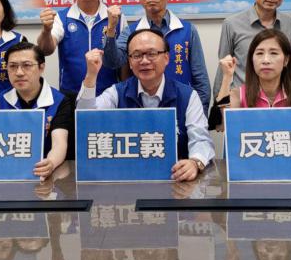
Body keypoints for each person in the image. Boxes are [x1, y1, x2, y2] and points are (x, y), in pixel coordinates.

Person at [81, 29, 215, 182]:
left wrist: (195, 162)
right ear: (130, 62)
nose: (144, 61)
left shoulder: (187, 96)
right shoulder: (117, 93)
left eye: (152, 54)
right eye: (137, 55)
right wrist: (91, 75)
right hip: (127, 179)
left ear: (166, 58)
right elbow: (86, 120)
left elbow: (201, 139)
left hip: (175, 178)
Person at [209, 29, 291, 178]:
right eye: (259, 53)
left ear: (286, 60)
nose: (265, 60)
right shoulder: (239, 94)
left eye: (274, 53)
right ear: (251, 60)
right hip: (249, 175)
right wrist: (227, 77)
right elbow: (221, 124)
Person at [0, 42, 75, 181]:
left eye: (27, 65)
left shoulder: (59, 100)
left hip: (45, 174)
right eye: (13, 66)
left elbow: (59, 143)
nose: (19, 72)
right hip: (6, 173)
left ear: (41, 67)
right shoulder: (0, 100)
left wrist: (50, 163)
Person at [102, 0, 211, 112]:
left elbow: (200, 78)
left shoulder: (187, 30)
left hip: (182, 108)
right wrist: (111, 29)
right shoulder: (131, 31)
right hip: (142, 109)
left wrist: (200, 113)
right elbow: (112, 62)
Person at [36, 0, 127, 96]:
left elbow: (124, 60)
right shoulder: (62, 17)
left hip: (109, 94)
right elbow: (45, 50)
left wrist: (123, 92)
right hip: (71, 94)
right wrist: (46, 31)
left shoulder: (116, 17)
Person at [213, 0, 291, 98]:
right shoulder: (232, 24)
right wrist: (219, 102)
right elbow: (224, 68)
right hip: (242, 101)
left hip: (280, 102)